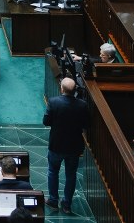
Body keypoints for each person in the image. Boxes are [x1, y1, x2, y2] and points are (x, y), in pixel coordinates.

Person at [43, 77, 89, 214]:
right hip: (74, 146)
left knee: (53, 171)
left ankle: (53, 200)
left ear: (61, 89)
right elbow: (86, 124)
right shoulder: (82, 105)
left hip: (57, 144)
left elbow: (46, 121)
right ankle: (67, 204)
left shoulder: (53, 102)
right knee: (71, 175)